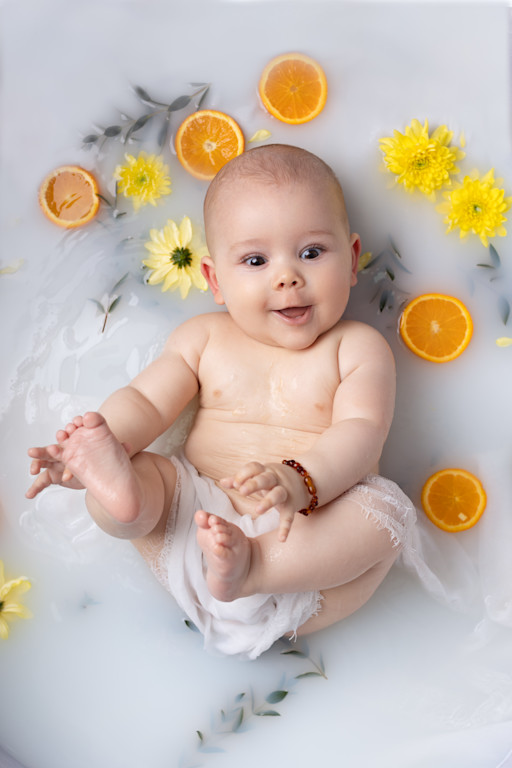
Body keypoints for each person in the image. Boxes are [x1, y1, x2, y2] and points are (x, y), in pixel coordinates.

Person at [26, 144, 419, 659]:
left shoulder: (358, 349)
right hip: (193, 516)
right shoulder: (203, 339)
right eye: (255, 260)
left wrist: (299, 480)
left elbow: (361, 432)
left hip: (300, 548)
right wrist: (100, 446)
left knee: (384, 510)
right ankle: (123, 496)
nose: (287, 277)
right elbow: (146, 402)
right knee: (136, 475)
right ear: (215, 280)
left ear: (350, 259)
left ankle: (255, 567)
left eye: (311, 252)